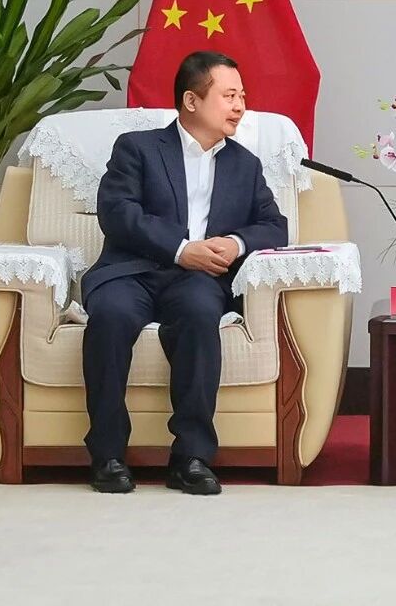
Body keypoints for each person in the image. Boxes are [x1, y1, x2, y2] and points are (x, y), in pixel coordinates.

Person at [79, 51, 287, 495]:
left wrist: (235, 243)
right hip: (131, 271)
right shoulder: (138, 148)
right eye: (229, 96)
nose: (240, 106)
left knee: (198, 314)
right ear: (192, 101)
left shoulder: (244, 164)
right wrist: (180, 249)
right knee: (111, 316)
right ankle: (108, 454)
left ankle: (191, 457)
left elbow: (274, 226)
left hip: (198, 280)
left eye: (242, 96)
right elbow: (117, 212)